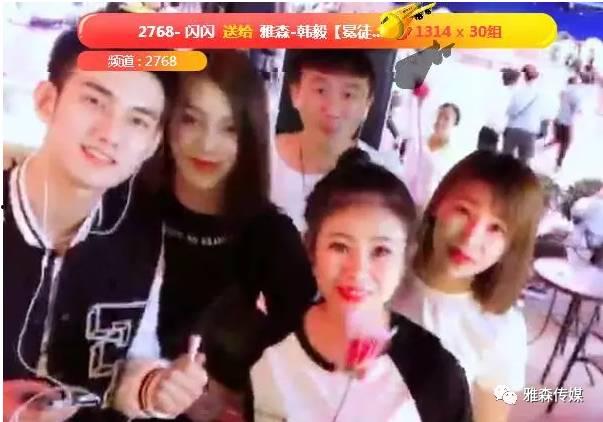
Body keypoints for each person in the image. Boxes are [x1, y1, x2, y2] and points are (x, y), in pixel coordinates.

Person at [3, 28, 207, 421]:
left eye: (137, 120)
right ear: (47, 101)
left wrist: (152, 387)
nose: (111, 134)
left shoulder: (141, 238)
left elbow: (125, 359)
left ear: (152, 143)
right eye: (95, 101)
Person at [137, 50, 317, 420]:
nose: (207, 144)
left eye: (229, 127)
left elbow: (302, 347)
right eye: (191, 119)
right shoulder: (127, 208)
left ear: (250, 135)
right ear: (167, 120)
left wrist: (240, 393)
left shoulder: (269, 234)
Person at [248, 149, 472, 422]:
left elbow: (499, 398)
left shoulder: (435, 373)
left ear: (406, 256)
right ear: (311, 248)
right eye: (339, 247)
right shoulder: (268, 348)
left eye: (380, 251)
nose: (357, 271)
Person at [392, 150, 544, 422]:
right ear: (438, 203)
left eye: (496, 228)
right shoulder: (384, 263)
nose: (471, 237)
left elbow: (496, 411)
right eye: (463, 211)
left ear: (512, 245)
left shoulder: (504, 331)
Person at [270, 49, 404, 232]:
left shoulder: (385, 179)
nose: (333, 110)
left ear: (368, 104)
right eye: (321, 90)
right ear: (295, 93)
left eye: (348, 95)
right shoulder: (260, 159)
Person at [503, 64, 550, 164]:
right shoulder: (543, 93)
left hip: (513, 129)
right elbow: (546, 115)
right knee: (524, 163)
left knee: (505, 161)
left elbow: (511, 111)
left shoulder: (518, 91)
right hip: (530, 131)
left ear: (523, 76)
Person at [477, 68, 521, 152]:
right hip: (493, 133)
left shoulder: (497, 92)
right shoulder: (510, 96)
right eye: (517, 82)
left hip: (487, 130)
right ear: (513, 82)